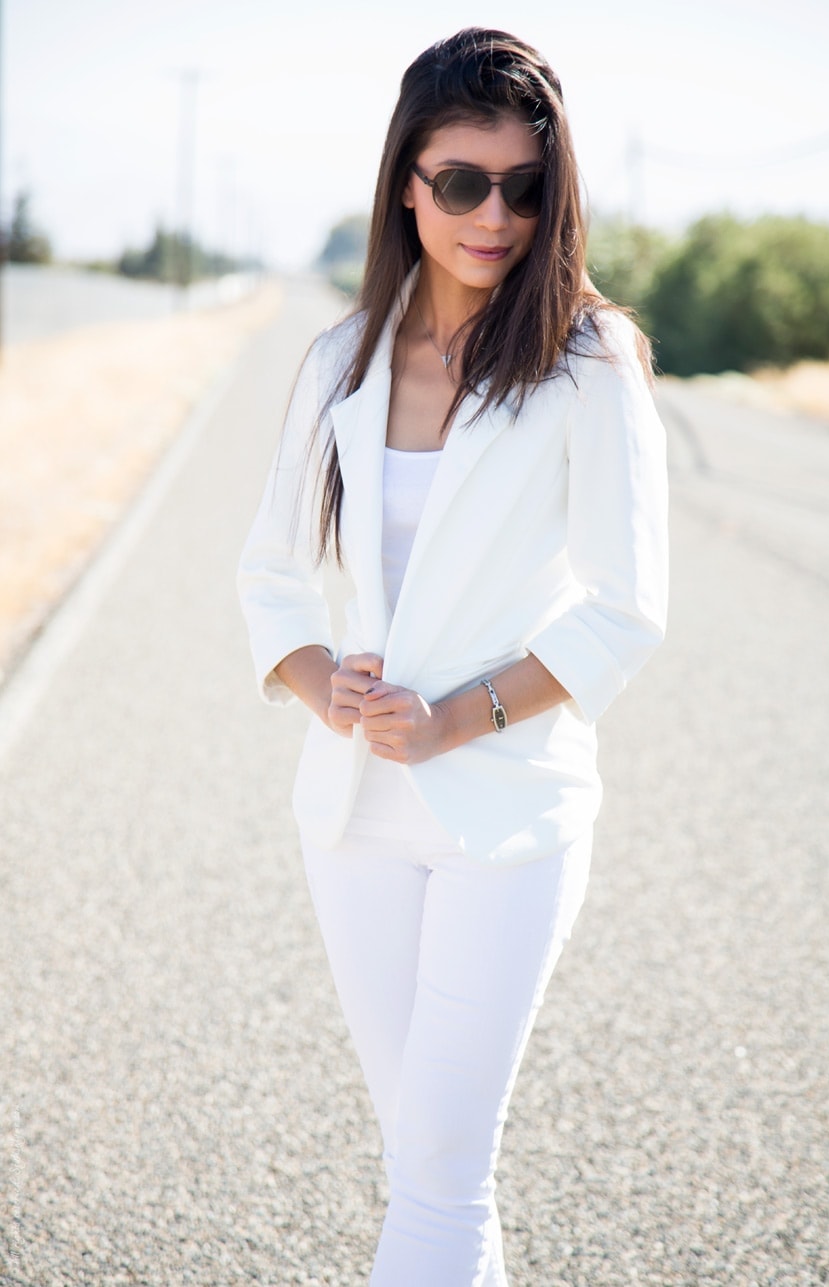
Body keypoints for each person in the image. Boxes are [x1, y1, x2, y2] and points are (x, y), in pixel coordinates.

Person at [238, 27, 668, 1286]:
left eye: (526, 187)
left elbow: (628, 609)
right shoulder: (340, 361)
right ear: (406, 185)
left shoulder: (590, 364)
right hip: (355, 817)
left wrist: (455, 719)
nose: (497, 215)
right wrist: (328, 686)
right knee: (425, 1161)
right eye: (465, 182)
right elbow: (269, 574)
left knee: (440, 1162)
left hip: (512, 813)